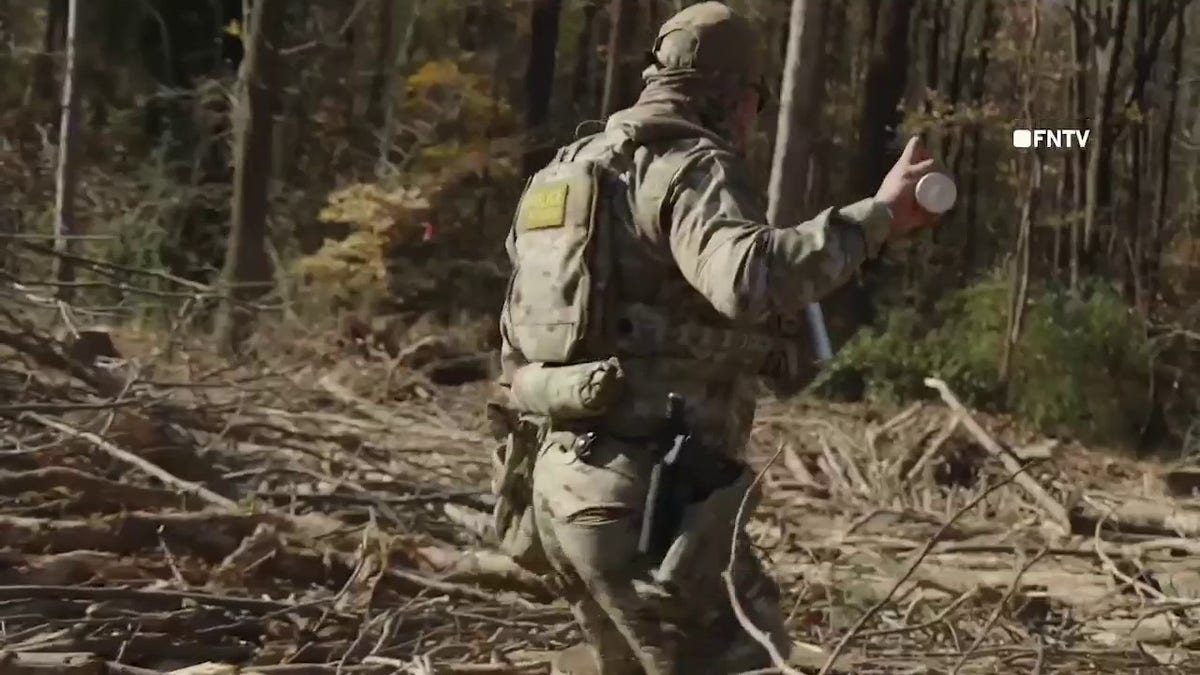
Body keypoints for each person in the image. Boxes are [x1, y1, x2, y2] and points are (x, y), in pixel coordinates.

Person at [489, 3, 940, 673]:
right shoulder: (688, 166)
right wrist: (876, 219)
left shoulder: (564, 176)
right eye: (756, 102)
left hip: (561, 498)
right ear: (734, 95)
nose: (754, 122)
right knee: (757, 659)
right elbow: (749, 276)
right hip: (646, 510)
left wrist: (516, 497)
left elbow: (514, 352)